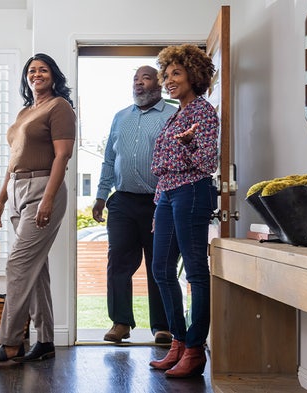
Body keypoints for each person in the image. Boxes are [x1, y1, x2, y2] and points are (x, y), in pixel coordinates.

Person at [0, 53, 76, 363]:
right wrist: (1, 197)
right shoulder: (26, 111)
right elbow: (14, 157)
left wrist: (48, 199)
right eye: (31, 71)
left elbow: (62, 156)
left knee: (18, 266)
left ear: (53, 75)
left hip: (43, 187)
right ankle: (45, 340)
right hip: (17, 189)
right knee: (35, 269)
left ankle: (10, 343)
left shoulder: (59, 107)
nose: (37, 74)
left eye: (43, 70)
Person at [147, 44, 218, 378]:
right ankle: (177, 341)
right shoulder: (176, 115)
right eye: (167, 74)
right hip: (168, 194)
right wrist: (158, 203)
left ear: (194, 74)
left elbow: (207, 163)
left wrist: (190, 143)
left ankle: (194, 349)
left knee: (194, 271)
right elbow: (164, 167)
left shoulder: (203, 112)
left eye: (176, 72)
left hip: (192, 191)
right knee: (160, 269)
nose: (169, 79)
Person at [92, 65, 175, 344]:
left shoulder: (172, 115)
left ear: (159, 84)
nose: (139, 83)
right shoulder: (120, 117)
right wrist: (101, 196)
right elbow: (108, 159)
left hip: (159, 202)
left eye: (146, 78)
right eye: (135, 79)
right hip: (122, 201)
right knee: (118, 263)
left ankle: (162, 326)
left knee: (159, 264)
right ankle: (121, 322)